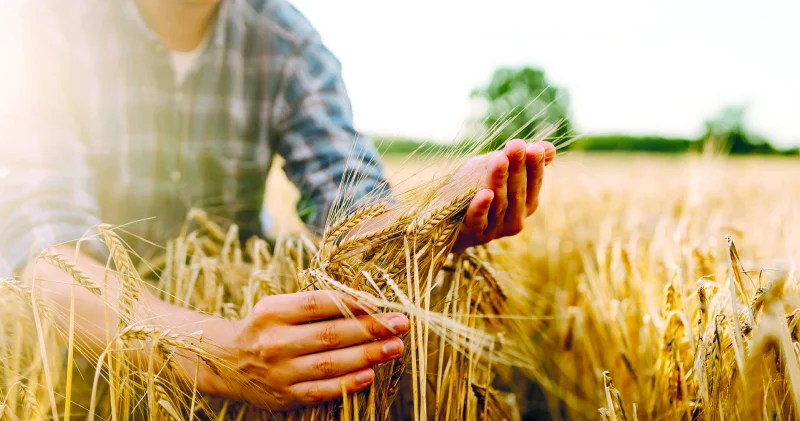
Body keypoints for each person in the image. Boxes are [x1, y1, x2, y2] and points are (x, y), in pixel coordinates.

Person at [0, 0, 556, 412]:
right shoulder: (44, 27)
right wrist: (218, 353)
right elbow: (46, 258)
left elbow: (353, 207)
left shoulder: (286, 41)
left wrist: (435, 218)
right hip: (68, 369)